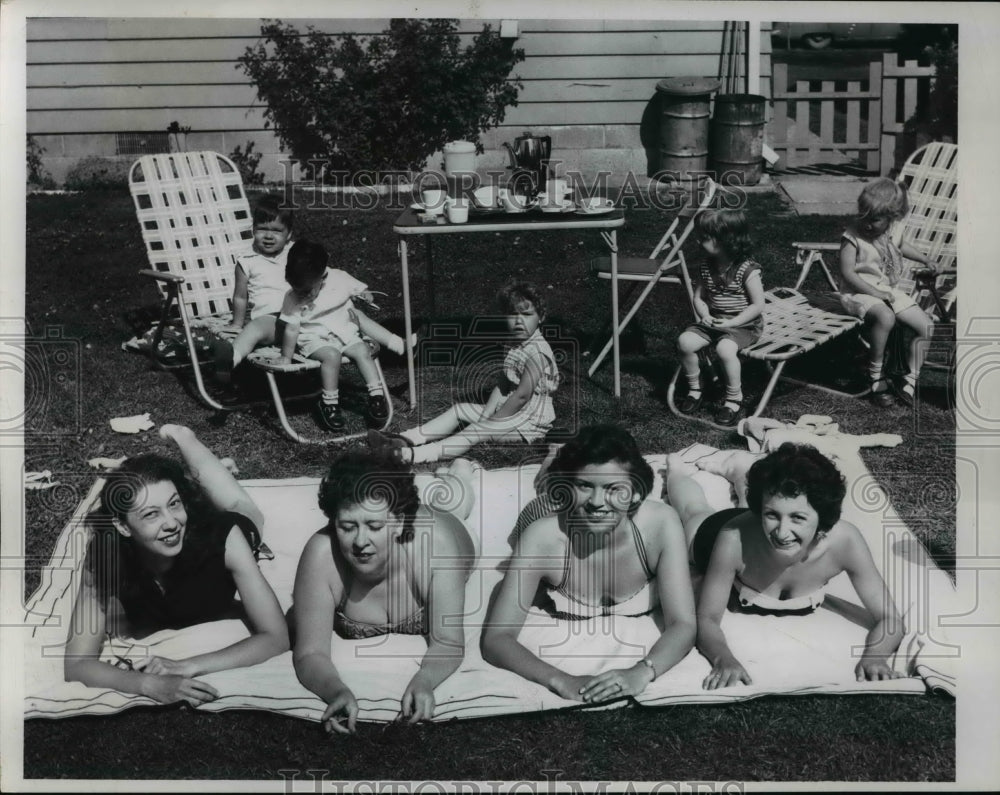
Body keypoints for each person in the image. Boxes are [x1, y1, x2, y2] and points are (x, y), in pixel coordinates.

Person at [63, 425, 289, 706]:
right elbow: (77, 663)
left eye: (174, 504)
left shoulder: (225, 538)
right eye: (151, 514)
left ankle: (184, 437)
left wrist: (186, 666)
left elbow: (277, 637)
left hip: (218, 530)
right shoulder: (105, 555)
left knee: (243, 508)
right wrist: (148, 684)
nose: (171, 523)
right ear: (122, 526)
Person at [482, 425, 696, 703]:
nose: (597, 501)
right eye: (584, 485)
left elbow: (683, 623)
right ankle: (553, 458)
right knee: (541, 501)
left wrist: (643, 671)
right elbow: (497, 638)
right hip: (548, 513)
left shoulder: (661, 524)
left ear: (636, 492)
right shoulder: (541, 538)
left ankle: (559, 457)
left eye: (613, 488)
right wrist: (561, 680)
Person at [662, 444, 904, 690]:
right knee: (694, 510)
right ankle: (676, 473)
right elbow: (707, 618)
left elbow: (890, 618)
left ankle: (738, 472)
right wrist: (723, 658)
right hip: (718, 537)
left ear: (823, 518)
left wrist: (876, 657)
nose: (782, 533)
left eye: (798, 518)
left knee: (759, 507)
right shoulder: (731, 539)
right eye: (771, 515)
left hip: (756, 529)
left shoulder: (846, 542)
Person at [291, 451, 478, 734]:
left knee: (457, 502)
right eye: (347, 527)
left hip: (452, 529)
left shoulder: (436, 547)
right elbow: (310, 652)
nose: (360, 541)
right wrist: (335, 691)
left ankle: (461, 471)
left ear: (399, 523)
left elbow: (449, 641)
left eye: (374, 526)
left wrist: (426, 680)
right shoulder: (320, 554)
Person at [369, 280, 560, 464]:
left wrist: (493, 422)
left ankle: (412, 455)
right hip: (510, 411)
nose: (519, 321)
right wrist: (487, 413)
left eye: (527, 315)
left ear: (541, 317)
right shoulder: (514, 343)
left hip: (527, 423)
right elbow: (503, 383)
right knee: (459, 410)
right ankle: (405, 438)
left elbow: (522, 396)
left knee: (476, 430)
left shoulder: (537, 352)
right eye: (512, 314)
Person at [273, 240, 413, 431]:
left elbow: (357, 288)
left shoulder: (338, 278)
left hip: (343, 331)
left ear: (323, 276)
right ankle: (329, 403)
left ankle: (376, 396)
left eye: (306, 290)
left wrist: (365, 294)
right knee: (332, 355)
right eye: (297, 289)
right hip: (314, 338)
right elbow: (291, 329)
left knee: (362, 350)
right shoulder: (293, 297)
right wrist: (286, 356)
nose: (302, 295)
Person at [838, 178, 935, 407]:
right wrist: (874, 292)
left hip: (886, 290)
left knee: (927, 326)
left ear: (892, 217)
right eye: (863, 216)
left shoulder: (893, 230)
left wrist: (924, 259)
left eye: (874, 219)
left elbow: (901, 245)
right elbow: (847, 272)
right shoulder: (853, 236)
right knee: (886, 316)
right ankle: (876, 374)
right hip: (857, 292)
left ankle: (909, 379)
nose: (867, 224)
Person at [675, 209, 765, 426]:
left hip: (744, 324)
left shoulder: (747, 269)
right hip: (715, 321)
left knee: (724, 349)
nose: (698, 241)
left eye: (704, 237)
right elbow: (698, 297)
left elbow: (758, 305)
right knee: (684, 342)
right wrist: (705, 315)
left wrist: (732, 322)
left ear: (726, 240)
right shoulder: (706, 266)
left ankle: (734, 398)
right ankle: (695, 388)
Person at [213, 194, 295, 384]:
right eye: (262, 229)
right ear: (253, 230)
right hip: (273, 322)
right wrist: (237, 323)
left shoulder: (296, 252)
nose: (268, 236)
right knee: (254, 328)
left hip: (303, 317)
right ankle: (230, 360)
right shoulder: (247, 261)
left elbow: (320, 272)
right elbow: (240, 297)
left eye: (277, 231)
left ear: (289, 234)